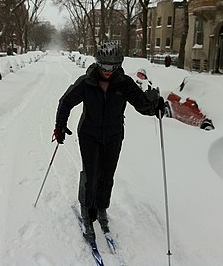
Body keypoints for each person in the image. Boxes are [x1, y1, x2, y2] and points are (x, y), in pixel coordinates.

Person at [53, 42, 165, 243]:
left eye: (112, 67)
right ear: (97, 63)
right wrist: (59, 126)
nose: (107, 71)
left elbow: (142, 106)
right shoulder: (86, 82)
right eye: (104, 66)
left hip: (114, 135)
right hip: (89, 134)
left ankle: (102, 207)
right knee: (92, 173)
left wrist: (155, 106)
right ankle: (87, 211)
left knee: (107, 174)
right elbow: (66, 102)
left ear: (119, 65)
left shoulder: (125, 83)